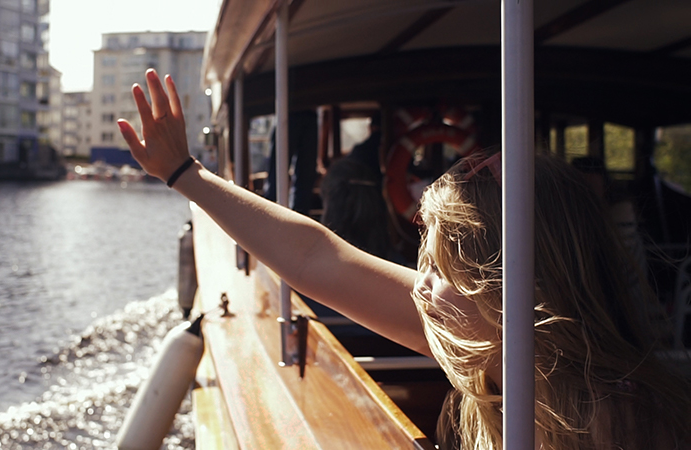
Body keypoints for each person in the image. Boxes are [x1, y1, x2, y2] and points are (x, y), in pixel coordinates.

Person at [117, 69, 691, 450]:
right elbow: (318, 258)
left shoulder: (626, 424)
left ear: (517, 289)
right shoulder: (488, 344)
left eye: (440, 270)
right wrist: (185, 174)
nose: (419, 284)